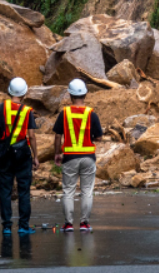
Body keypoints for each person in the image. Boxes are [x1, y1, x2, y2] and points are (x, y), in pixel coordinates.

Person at [0, 77, 39, 236]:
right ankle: (23, 226)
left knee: (5, 190)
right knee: (24, 190)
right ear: (24, 93)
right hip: (23, 153)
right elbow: (31, 136)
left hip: (5, 154)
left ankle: (7, 227)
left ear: (10, 91)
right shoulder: (27, 111)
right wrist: (35, 156)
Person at [53, 79, 103, 232]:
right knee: (87, 190)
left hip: (69, 157)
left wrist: (57, 153)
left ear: (70, 95)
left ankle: (68, 224)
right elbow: (99, 137)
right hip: (88, 157)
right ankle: (84, 223)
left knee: (68, 191)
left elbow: (57, 136)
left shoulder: (65, 113)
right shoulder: (91, 114)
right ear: (85, 94)